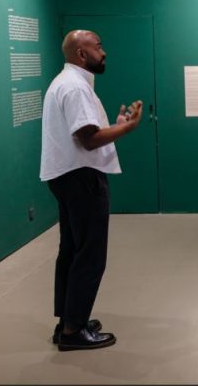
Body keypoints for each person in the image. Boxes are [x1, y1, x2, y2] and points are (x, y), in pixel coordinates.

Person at [40, 30, 143, 351]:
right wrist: (126, 128)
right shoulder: (75, 87)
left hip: (67, 176)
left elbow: (87, 132)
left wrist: (113, 125)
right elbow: (88, 139)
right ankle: (74, 331)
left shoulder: (66, 82)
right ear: (81, 54)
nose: (104, 52)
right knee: (90, 254)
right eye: (98, 47)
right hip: (82, 178)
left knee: (72, 250)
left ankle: (69, 320)